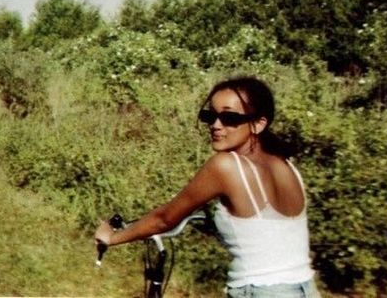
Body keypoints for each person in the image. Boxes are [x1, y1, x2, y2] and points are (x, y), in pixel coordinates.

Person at [94, 76, 319, 298]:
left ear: (258, 124)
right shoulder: (287, 166)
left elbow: (164, 219)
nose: (215, 125)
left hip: (260, 291)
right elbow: (264, 231)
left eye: (229, 118)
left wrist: (112, 237)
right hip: (304, 289)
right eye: (210, 116)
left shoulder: (226, 166)